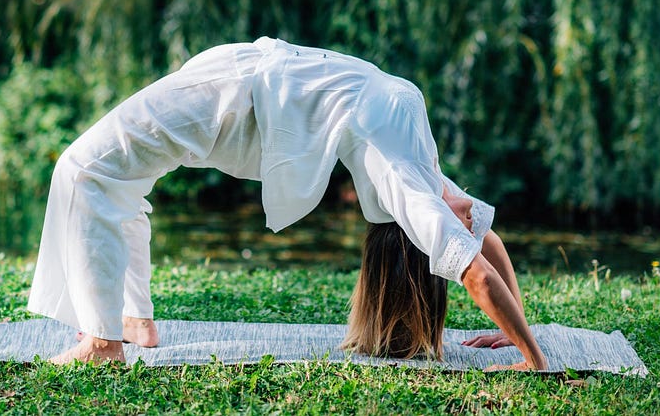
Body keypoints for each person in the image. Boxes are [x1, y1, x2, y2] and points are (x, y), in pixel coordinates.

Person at [27, 37, 548, 370]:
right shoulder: (422, 168)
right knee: (108, 174)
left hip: (241, 98)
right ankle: (129, 321)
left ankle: (102, 343)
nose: (459, 224)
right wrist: (515, 329)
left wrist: (535, 359)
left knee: (84, 168)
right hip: (248, 86)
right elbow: (482, 233)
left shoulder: (408, 177)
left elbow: (474, 270)